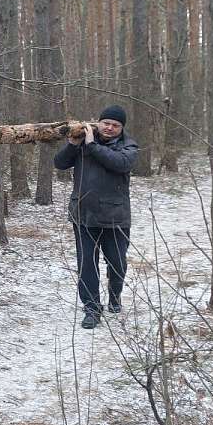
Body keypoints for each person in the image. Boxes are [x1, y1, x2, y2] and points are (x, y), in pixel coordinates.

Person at [53, 104, 139, 330]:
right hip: (84, 214)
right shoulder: (82, 141)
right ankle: (91, 308)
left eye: (115, 125)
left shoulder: (128, 146)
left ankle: (115, 295)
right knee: (87, 264)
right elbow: (59, 164)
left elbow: (120, 164)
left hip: (115, 216)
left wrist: (91, 145)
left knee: (117, 263)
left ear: (122, 128)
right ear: (98, 123)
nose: (110, 128)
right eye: (106, 123)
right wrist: (73, 145)